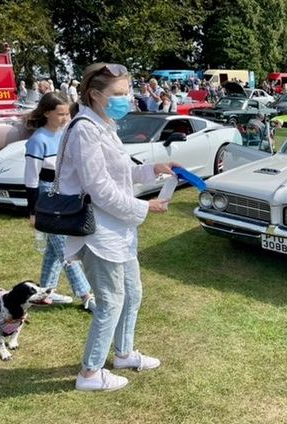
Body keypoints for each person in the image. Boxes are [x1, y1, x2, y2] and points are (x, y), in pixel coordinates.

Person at [57, 63, 179, 392]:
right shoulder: (84, 129)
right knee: (110, 301)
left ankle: (123, 353)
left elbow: (120, 171)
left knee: (132, 293)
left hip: (118, 230)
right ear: (95, 95)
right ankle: (90, 373)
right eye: (120, 93)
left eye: (128, 91)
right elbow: (99, 189)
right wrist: (144, 206)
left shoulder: (104, 125)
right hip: (99, 232)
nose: (127, 98)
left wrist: (154, 169)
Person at [23, 92, 96, 309]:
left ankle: (45, 292)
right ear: (47, 113)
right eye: (60, 114)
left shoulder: (66, 134)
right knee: (65, 248)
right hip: (47, 198)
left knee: (55, 249)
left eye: (67, 113)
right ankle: (86, 295)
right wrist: (33, 213)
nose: (65, 118)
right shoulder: (38, 140)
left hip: (65, 194)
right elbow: (31, 180)